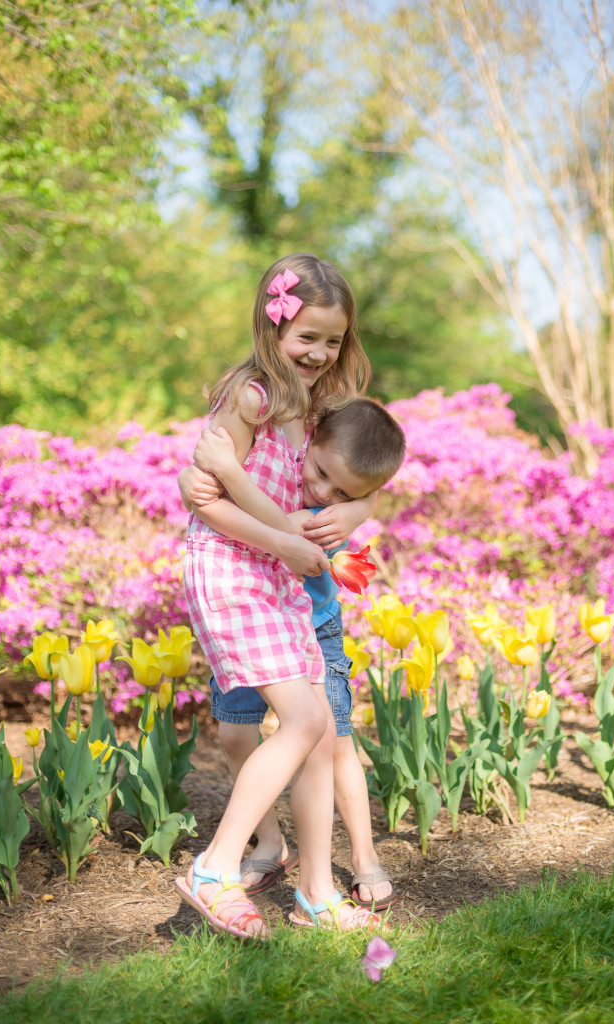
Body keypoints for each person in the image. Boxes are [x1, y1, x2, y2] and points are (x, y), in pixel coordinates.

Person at [175, 253, 380, 939]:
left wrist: (353, 513)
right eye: (307, 337)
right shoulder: (251, 397)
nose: (319, 352)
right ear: (274, 324)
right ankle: (216, 866)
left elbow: (368, 471)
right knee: (299, 723)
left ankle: (317, 896)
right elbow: (207, 503)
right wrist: (291, 546)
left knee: (320, 732)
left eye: (332, 341)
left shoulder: (317, 406)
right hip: (234, 572)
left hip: (278, 574)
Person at [185, 398, 405, 912]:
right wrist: (198, 479)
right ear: (313, 442)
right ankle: (271, 843)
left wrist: (225, 473)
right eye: (322, 474)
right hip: (255, 609)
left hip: (312, 620)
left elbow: (281, 524)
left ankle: (364, 856)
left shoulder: (325, 506)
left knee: (333, 740)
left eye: (345, 493)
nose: (325, 493)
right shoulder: (291, 437)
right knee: (237, 732)